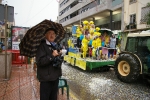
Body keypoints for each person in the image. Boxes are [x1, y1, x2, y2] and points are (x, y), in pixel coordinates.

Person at [36, 28, 63, 100]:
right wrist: (52, 56)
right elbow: (40, 62)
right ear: (45, 35)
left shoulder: (55, 46)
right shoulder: (42, 46)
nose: (52, 35)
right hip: (46, 80)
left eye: (53, 33)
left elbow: (58, 62)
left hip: (55, 78)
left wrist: (60, 55)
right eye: (49, 33)